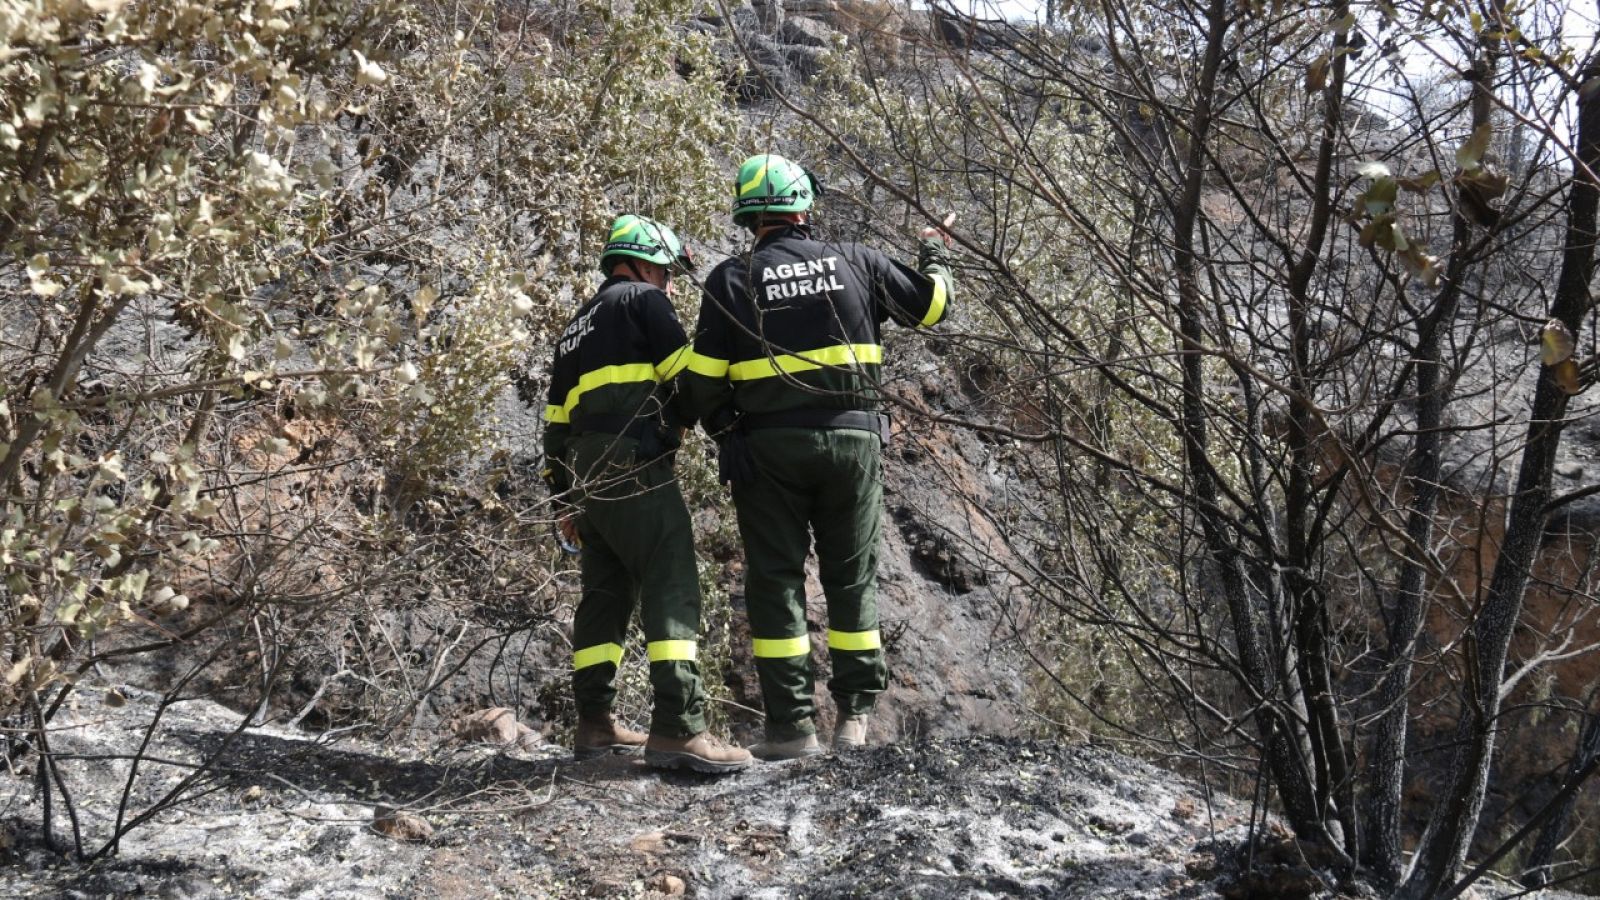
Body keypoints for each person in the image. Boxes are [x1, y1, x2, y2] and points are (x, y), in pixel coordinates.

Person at [682, 154, 955, 760]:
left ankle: (791, 729)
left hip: (767, 451)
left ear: (748, 214)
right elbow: (934, 306)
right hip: (853, 444)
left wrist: (726, 427)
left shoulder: (731, 279)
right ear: (805, 205)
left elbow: (701, 382)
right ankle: (854, 719)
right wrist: (933, 248)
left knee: (775, 581)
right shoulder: (859, 261)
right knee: (851, 578)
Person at [540, 214, 752, 774]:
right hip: (634, 462)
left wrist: (564, 501)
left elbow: (555, 424)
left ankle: (593, 724)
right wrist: (686, 422)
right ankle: (680, 729)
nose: (671, 284)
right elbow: (691, 378)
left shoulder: (575, 327)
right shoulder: (644, 302)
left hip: (585, 476)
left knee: (605, 594)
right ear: (637, 263)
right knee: (671, 578)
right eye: (665, 270)